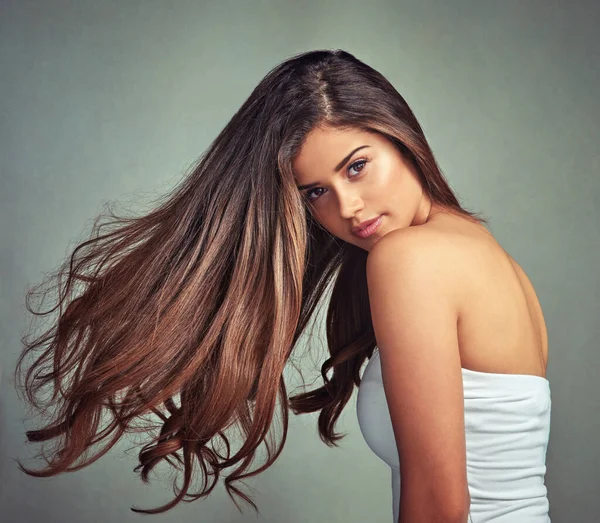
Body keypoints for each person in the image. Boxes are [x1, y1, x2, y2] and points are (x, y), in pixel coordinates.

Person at [13, 49, 551, 522]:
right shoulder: (485, 253)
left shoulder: (408, 257)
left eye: (357, 167)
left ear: (401, 137)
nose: (347, 207)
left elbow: (441, 508)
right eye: (315, 192)